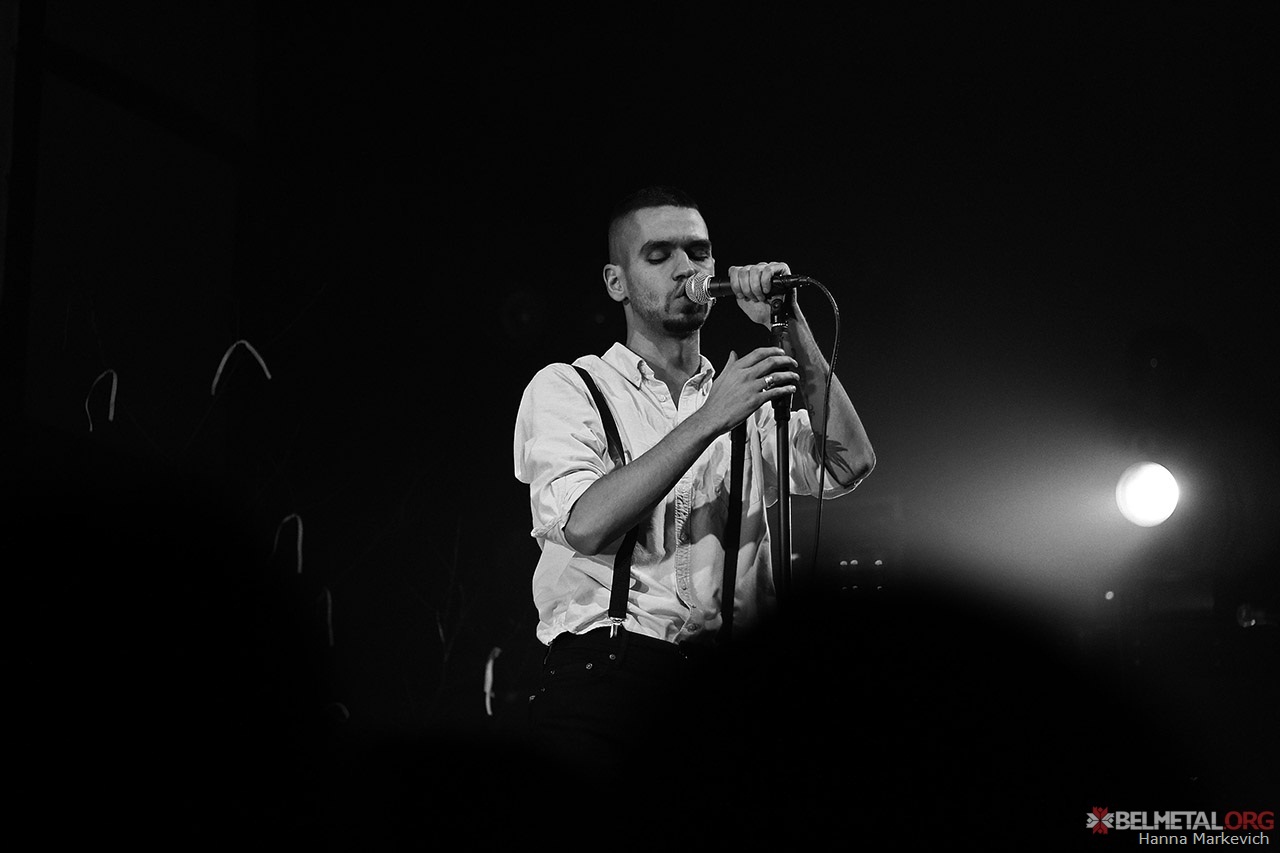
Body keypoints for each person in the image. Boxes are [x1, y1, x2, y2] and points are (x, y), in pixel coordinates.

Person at [511, 185, 875, 768]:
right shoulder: (571, 387)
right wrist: (709, 419)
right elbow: (585, 524)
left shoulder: (743, 399)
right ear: (616, 282)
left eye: (699, 253)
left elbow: (848, 462)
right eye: (659, 256)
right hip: (609, 678)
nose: (687, 269)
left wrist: (789, 325)